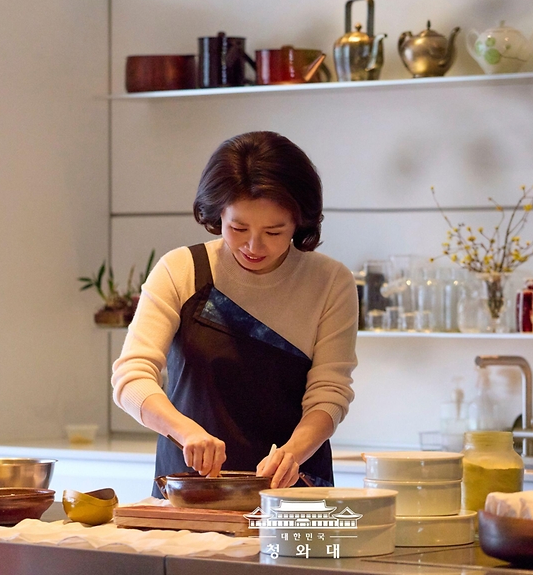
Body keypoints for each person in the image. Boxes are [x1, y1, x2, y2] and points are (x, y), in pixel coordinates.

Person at [112, 131, 358, 493]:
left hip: (291, 487)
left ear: (300, 222)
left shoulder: (330, 281)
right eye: (238, 228)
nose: (253, 246)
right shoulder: (181, 270)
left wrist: (293, 453)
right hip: (192, 488)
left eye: (274, 232)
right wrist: (185, 431)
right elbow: (131, 377)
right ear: (218, 214)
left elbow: (330, 391)